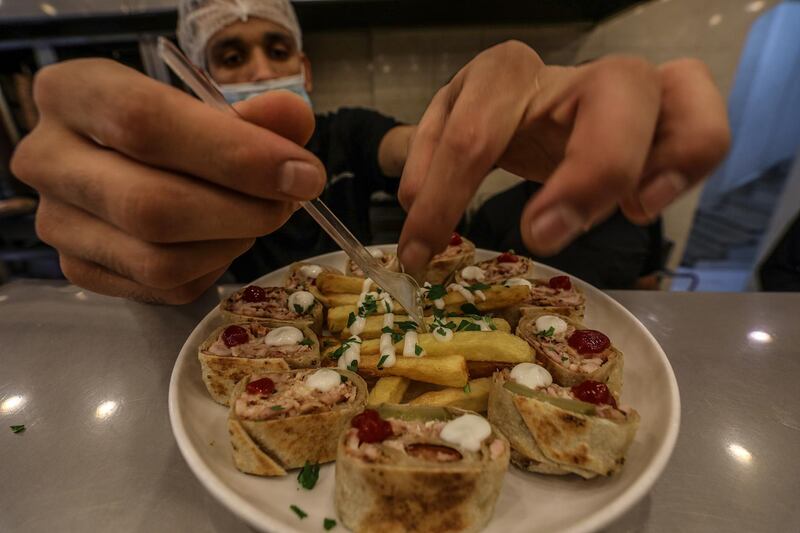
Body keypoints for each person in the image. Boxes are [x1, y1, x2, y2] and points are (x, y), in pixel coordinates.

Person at [9, 0, 731, 304]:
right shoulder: (160, 170)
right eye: (230, 55)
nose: (261, 70)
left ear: (307, 67)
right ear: (196, 79)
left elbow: (413, 148)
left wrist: (491, 131)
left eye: (277, 47)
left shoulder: (344, 134)